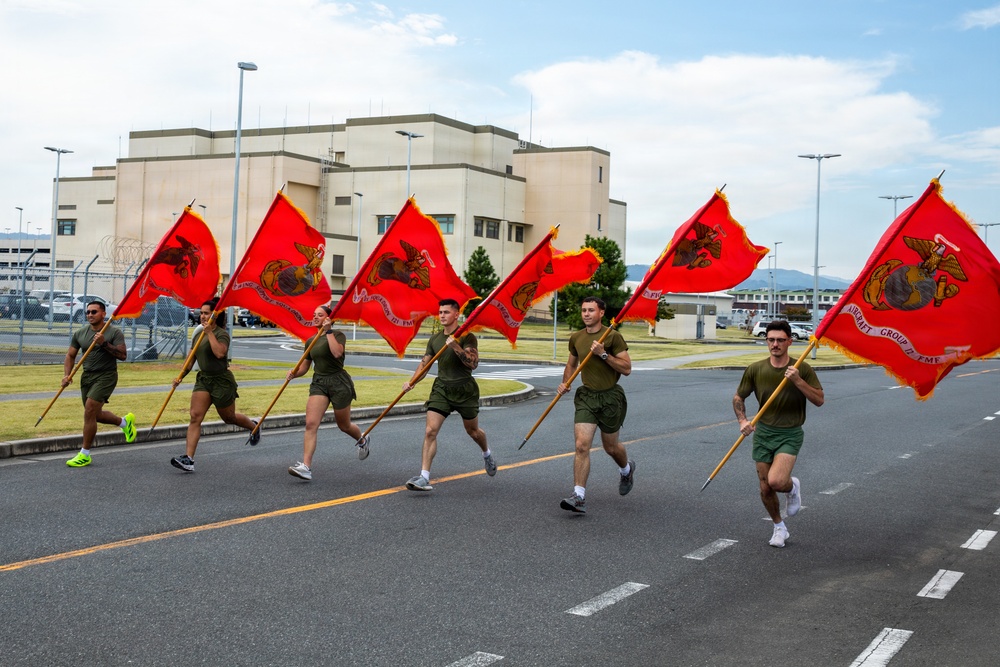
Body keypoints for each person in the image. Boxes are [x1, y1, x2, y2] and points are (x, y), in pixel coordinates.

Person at [733, 320, 824, 548]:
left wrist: (797, 380)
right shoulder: (755, 369)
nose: (775, 344)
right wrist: (743, 420)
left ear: (790, 342)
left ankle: (791, 487)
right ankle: (779, 527)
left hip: (789, 433)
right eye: (771, 340)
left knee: (776, 481)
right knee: (765, 487)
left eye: (780, 340)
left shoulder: (801, 367)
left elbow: (819, 400)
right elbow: (738, 398)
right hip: (763, 432)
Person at [401, 298, 496, 491]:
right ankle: (424, 477)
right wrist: (411, 382)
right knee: (430, 431)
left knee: (473, 432)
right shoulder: (435, 339)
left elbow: (473, 363)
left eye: (446, 312)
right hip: (442, 389)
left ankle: (486, 453)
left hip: (465, 390)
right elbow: (425, 365)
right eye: (440, 312)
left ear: (456, 314)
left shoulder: (467, 336)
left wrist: (455, 346)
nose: (442, 315)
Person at [557, 296, 634, 514]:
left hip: (610, 398)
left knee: (611, 447)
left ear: (601, 313)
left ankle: (626, 469)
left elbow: (626, 368)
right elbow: (571, 364)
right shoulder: (576, 338)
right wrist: (566, 382)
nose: (586, 314)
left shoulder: (613, 337)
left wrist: (603, 354)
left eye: (591, 310)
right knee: (582, 445)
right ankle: (578, 495)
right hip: (586, 397)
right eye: (583, 310)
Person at [170, 298, 260, 472]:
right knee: (195, 416)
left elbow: (219, 353)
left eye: (206, 313)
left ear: (215, 315)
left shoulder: (221, 334)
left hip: (221, 380)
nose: (202, 316)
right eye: (201, 313)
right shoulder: (197, 334)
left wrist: (210, 332)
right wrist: (181, 375)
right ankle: (189, 459)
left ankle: (253, 426)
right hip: (204, 379)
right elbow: (190, 360)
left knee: (229, 418)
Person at [286, 305, 370, 481]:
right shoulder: (310, 341)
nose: (315, 317)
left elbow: (337, 353)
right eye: (314, 314)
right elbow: (305, 367)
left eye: (320, 315)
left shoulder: (338, 335)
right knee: (310, 424)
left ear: (328, 318)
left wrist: (329, 331)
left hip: (339, 383)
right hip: (319, 383)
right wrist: (294, 373)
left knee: (344, 425)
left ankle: (362, 439)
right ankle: (306, 467)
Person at [62, 300, 136, 467]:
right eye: (88, 312)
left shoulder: (114, 332)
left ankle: (84, 454)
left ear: (103, 314)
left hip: (106, 376)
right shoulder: (80, 333)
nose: (90, 315)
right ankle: (125, 422)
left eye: (94, 312)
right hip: (87, 377)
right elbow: (70, 355)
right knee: (95, 415)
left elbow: (123, 355)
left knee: (89, 410)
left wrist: (103, 343)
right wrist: (67, 375)